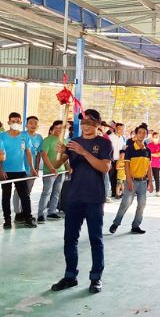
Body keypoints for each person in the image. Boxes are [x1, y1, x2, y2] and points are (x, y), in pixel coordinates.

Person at [50, 110, 112, 294]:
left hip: (94, 198)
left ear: (98, 125)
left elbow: (104, 167)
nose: (86, 126)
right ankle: (70, 276)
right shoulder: (74, 142)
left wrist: (84, 152)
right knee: (70, 238)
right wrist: (61, 153)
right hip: (75, 197)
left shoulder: (104, 143)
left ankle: (96, 278)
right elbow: (57, 163)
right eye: (83, 122)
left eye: (90, 123)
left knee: (95, 239)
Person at [109, 124, 153, 235]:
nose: (142, 134)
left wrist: (150, 182)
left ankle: (136, 226)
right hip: (132, 181)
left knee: (142, 205)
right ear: (136, 134)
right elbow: (127, 166)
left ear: (146, 135)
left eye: (144, 133)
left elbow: (149, 167)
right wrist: (128, 180)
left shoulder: (148, 150)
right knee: (125, 203)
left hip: (143, 182)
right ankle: (116, 223)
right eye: (140, 132)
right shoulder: (130, 149)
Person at [0, 112, 37, 228]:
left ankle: (28, 217)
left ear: (21, 123)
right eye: (13, 121)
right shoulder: (1, 136)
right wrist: (0, 169)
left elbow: (28, 153)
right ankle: (7, 220)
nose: (15, 123)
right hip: (6, 171)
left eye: (17, 121)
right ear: (9, 122)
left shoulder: (25, 137)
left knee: (25, 195)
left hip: (20, 171)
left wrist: (32, 168)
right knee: (6, 196)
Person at [13, 116, 42, 219]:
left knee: (27, 191)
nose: (33, 125)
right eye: (30, 123)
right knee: (18, 190)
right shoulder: (21, 135)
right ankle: (18, 212)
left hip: (32, 169)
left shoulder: (39, 138)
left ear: (38, 126)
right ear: (26, 125)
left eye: (35, 123)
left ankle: (25, 211)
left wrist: (37, 168)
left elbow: (38, 154)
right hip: (20, 168)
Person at [37, 120, 66, 223]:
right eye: (56, 128)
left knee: (56, 192)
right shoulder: (47, 140)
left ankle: (52, 212)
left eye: (60, 128)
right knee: (46, 193)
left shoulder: (64, 141)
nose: (58, 130)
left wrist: (68, 167)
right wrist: (51, 168)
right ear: (52, 129)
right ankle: (40, 214)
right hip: (50, 172)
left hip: (61, 171)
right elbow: (44, 155)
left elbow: (65, 156)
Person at [109, 123, 126, 198]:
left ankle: (117, 193)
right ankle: (112, 192)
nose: (121, 130)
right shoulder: (110, 137)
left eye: (122, 129)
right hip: (112, 160)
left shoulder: (123, 138)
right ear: (115, 129)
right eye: (119, 129)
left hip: (120, 161)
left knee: (119, 178)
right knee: (111, 176)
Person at [147, 131, 160, 197]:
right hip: (149, 164)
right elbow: (147, 154)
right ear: (152, 137)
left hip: (157, 164)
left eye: (157, 137)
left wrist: (151, 154)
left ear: (159, 138)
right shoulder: (149, 145)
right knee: (147, 177)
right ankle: (147, 189)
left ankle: (157, 191)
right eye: (154, 137)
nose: (155, 138)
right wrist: (155, 154)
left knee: (157, 178)